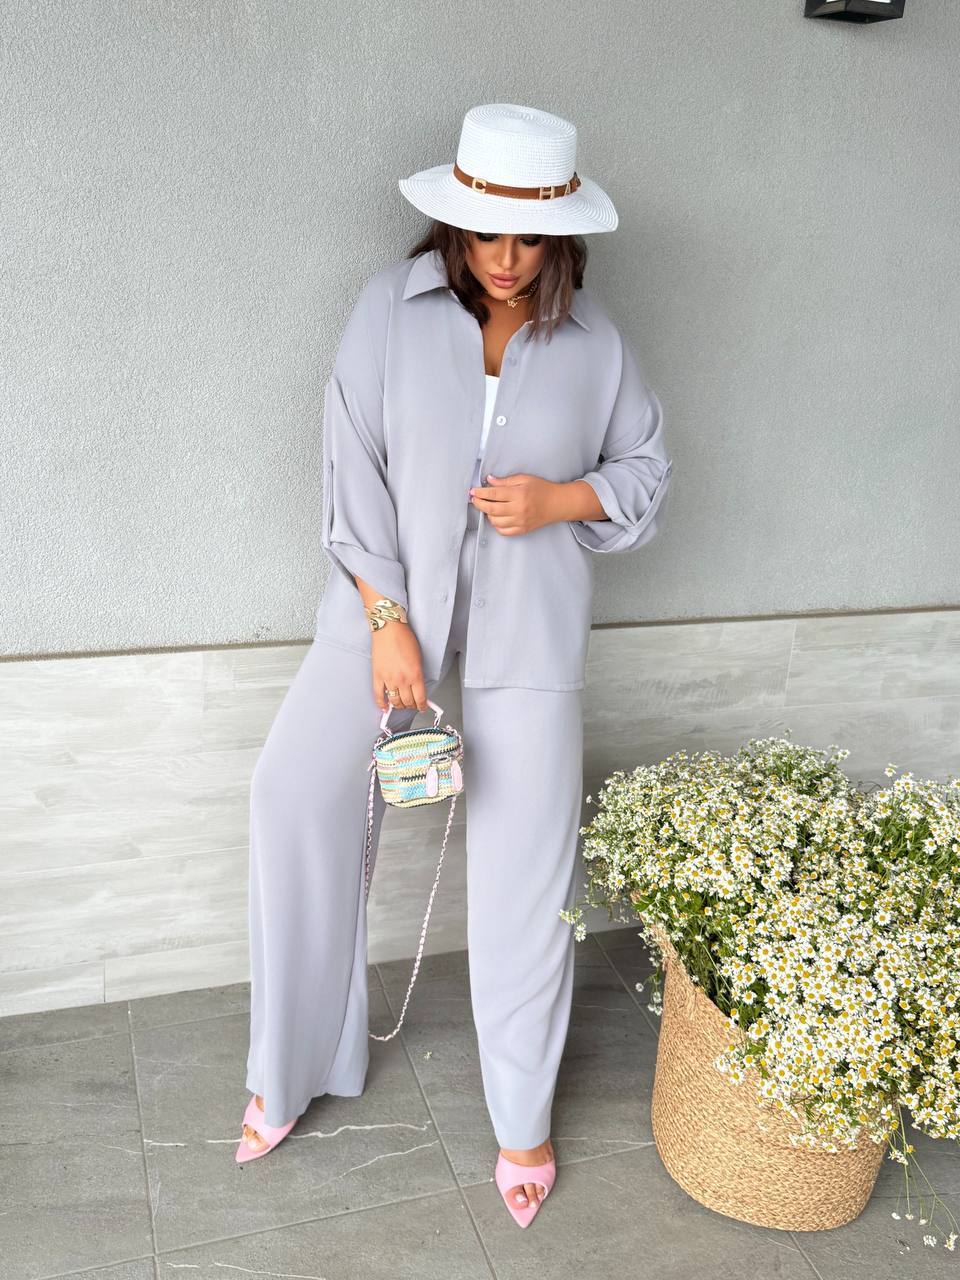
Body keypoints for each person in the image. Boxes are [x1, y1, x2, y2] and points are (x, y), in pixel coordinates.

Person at [236, 103, 674, 1229]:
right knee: (292, 795)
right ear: (454, 222)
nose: (505, 257)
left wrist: (561, 500)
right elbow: (352, 465)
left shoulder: (597, 343)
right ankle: (288, 1067)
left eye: (528, 238)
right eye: (486, 233)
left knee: (528, 869)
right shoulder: (389, 307)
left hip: (530, 637)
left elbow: (645, 471)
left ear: (561, 236)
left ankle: (523, 1118)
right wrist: (386, 617)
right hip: (387, 619)